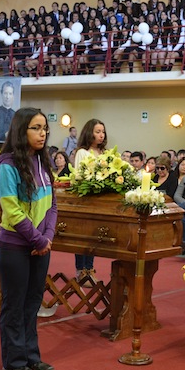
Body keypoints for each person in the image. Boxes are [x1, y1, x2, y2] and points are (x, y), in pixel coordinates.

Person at [0, 107, 57, 370]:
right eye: (36, 128)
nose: (42, 134)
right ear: (21, 130)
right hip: (14, 246)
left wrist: (47, 237)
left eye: (45, 129)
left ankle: (32, 356)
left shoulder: (42, 162)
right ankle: (14, 360)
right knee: (15, 305)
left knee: (32, 304)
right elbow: (13, 211)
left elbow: (52, 204)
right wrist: (38, 239)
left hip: (40, 245)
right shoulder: (6, 165)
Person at [72, 118, 107, 282]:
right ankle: (81, 270)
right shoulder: (82, 152)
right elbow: (81, 176)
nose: (101, 135)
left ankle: (90, 269)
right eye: (97, 132)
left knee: (94, 236)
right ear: (89, 133)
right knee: (82, 236)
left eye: (103, 132)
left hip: (100, 201)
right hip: (85, 200)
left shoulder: (105, 153)